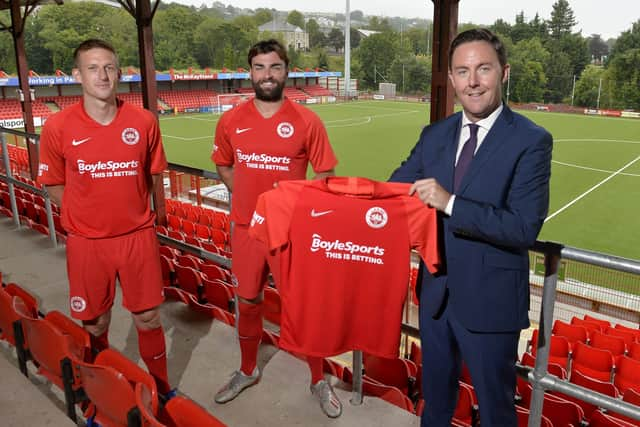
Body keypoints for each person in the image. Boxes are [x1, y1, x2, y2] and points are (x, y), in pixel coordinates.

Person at [389, 28, 552, 426]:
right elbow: (395, 189)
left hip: (490, 303)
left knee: (496, 411)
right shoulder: (435, 135)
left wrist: (450, 203)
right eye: (463, 72)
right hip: (436, 297)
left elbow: (522, 228)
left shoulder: (532, 141)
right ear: (451, 78)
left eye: (483, 69)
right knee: (436, 403)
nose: (473, 82)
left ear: (504, 72)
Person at [37, 39, 173, 399]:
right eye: (93, 68)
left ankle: (161, 389)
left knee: (148, 318)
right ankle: (102, 389)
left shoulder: (143, 121)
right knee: (95, 321)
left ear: (118, 72)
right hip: (88, 243)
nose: (103, 75)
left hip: (137, 238)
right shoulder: (57, 127)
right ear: (77, 75)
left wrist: (144, 214)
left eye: (109, 67)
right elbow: (52, 184)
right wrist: (83, 219)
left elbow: (153, 174)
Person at [211, 39, 340, 417]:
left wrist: (297, 211)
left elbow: (326, 173)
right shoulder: (231, 119)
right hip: (247, 229)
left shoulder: (307, 121)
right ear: (249, 72)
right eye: (259, 67)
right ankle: (248, 370)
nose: (267, 75)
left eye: (275, 67)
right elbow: (223, 162)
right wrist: (253, 201)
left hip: (292, 235)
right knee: (248, 300)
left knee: (302, 306)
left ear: (286, 71)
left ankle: (318, 379)